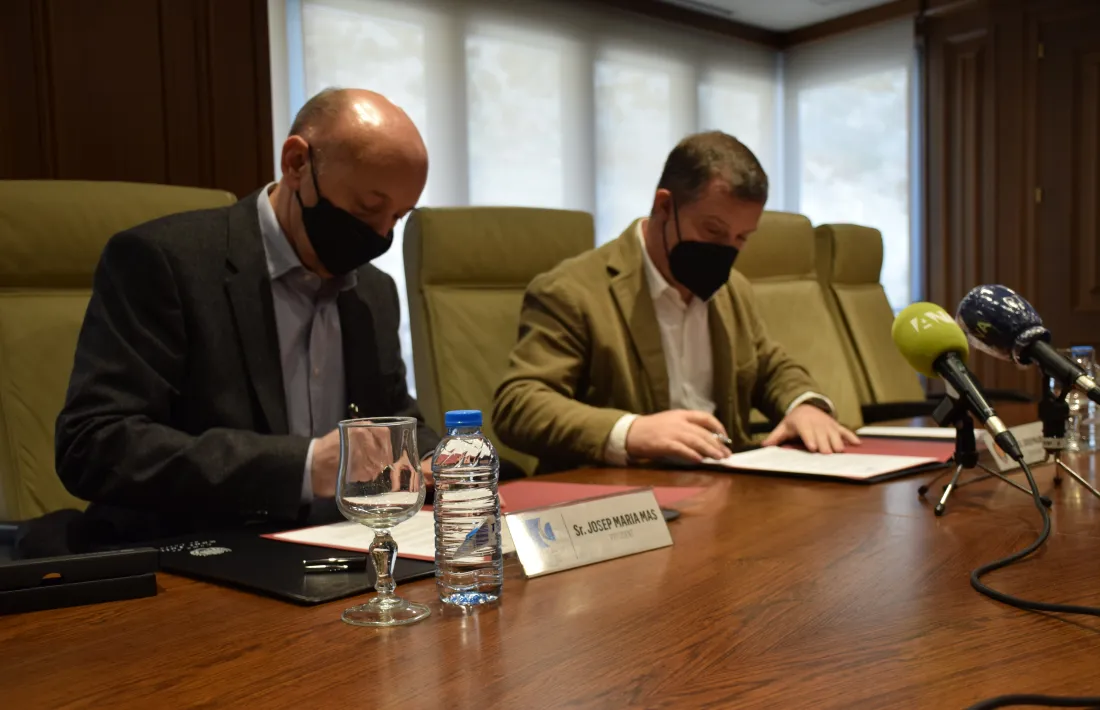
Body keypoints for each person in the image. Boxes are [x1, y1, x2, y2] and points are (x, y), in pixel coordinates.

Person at [55, 88, 439, 541]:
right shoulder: (163, 262)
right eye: (368, 208)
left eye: (397, 217)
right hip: (200, 557)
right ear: (297, 164)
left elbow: (393, 417)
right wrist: (304, 467)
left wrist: (439, 460)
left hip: (345, 550)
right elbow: (95, 444)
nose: (380, 235)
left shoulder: (373, 291)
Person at [492, 131, 859, 473]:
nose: (726, 251)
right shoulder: (572, 290)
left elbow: (769, 366)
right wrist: (630, 431)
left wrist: (805, 406)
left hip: (724, 487)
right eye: (713, 230)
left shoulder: (733, 289)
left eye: (742, 237)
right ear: (664, 206)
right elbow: (520, 404)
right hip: (622, 500)